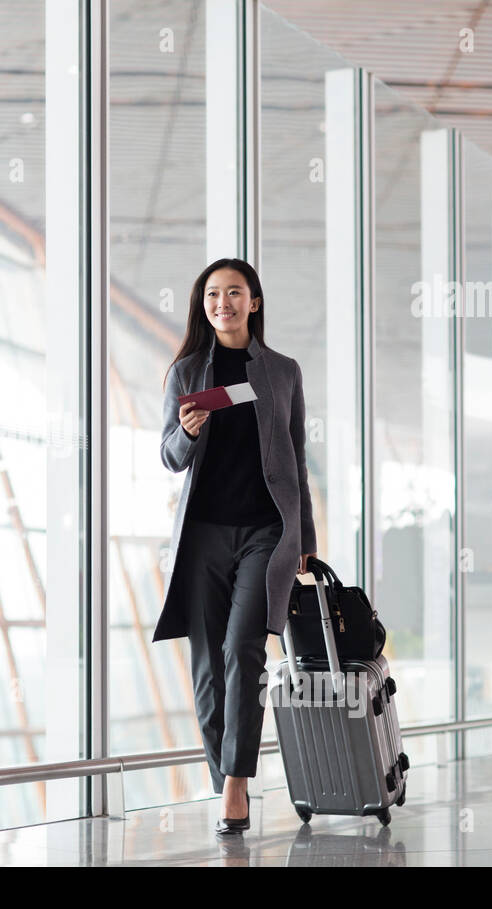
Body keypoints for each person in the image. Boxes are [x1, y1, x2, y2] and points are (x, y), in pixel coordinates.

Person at [154, 257, 317, 836]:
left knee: (244, 649)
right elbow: (170, 458)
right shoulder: (186, 371)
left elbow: (296, 458)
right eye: (212, 294)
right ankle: (225, 770)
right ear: (203, 305)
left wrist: (307, 539)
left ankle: (236, 786)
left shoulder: (282, 372)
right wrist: (188, 433)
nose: (222, 302)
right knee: (207, 667)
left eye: (234, 292)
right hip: (202, 537)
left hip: (265, 535)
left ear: (255, 301)